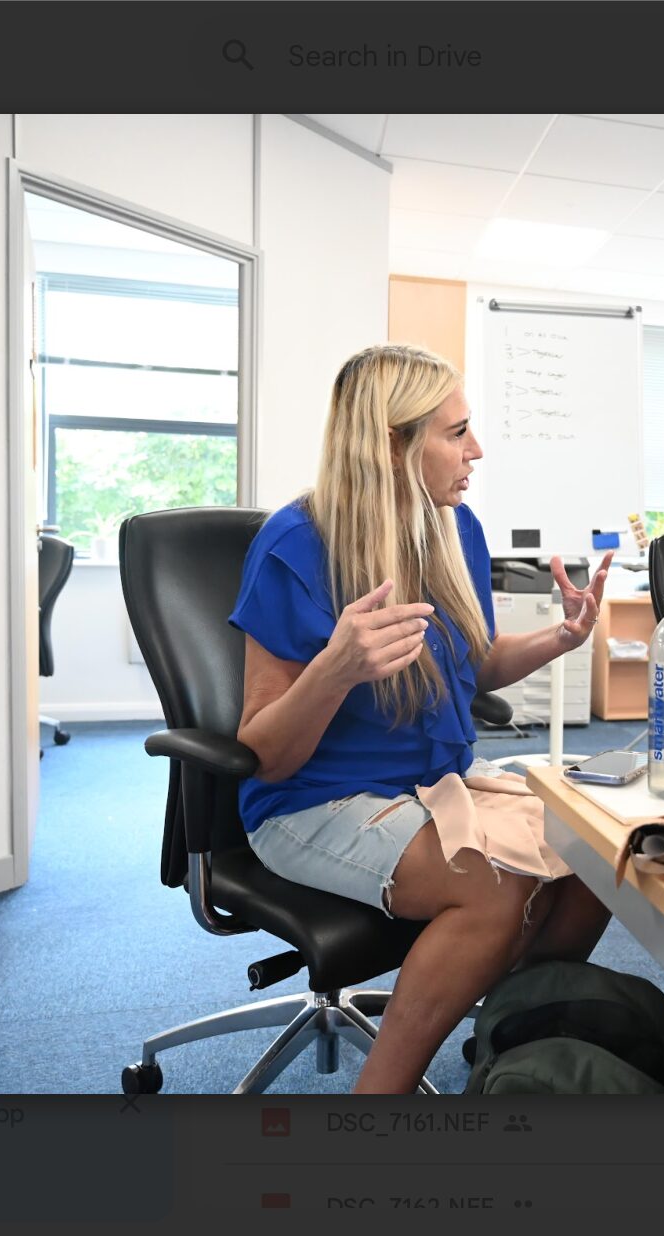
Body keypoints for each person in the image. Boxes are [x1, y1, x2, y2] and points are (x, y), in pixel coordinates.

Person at [229, 344, 614, 1094]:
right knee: (493, 889)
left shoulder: (453, 528)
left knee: (595, 852)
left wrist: (561, 639)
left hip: (434, 780)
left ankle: (511, 1052)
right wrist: (337, 668)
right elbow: (265, 754)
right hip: (311, 801)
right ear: (391, 445)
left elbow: (477, 666)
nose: (477, 450)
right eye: (457, 432)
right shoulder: (294, 545)